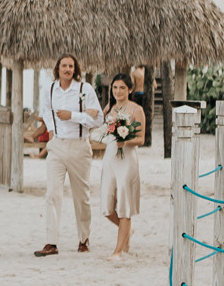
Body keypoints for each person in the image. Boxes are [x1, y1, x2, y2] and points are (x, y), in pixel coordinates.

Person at [34, 54, 101, 256]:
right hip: (57, 146)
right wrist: (52, 132)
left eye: (71, 66)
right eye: (64, 65)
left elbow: (98, 120)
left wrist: (73, 116)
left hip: (79, 146)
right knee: (52, 193)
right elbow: (46, 111)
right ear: (58, 68)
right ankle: (51, 242)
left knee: (81, 196)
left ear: (75, 69)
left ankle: (83, 239)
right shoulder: (50, 88)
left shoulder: (85, 89)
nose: (68, 69)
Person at [98, 74, 146, 260]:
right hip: (110, 157)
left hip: (127, 160)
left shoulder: (136, 109)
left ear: (130, 89)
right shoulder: (109, 108)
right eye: (115, 87)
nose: (118, 91)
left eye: (122, 88)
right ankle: (127, 230)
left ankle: (118, 251)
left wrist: (124, 141)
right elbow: (102, 128)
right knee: (107, 207)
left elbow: (141, 139)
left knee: (124, 204)